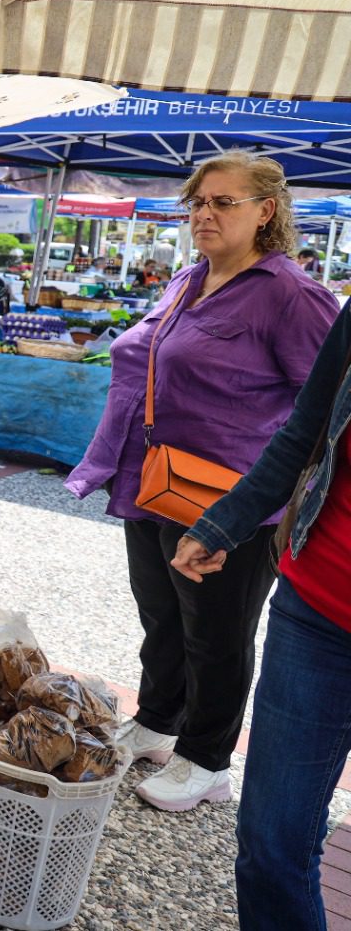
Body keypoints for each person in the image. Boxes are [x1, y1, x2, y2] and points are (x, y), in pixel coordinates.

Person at [67, 152, 338, 812]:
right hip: (153, 482)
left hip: (231, 498)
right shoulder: (188, 280)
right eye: (198, 202)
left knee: (217, 633)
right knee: (160, 616)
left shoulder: (290, 294)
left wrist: (285, 501)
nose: (205, 215)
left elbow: (326, 411)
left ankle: (207, 758)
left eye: (224, 202)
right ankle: (159, 722)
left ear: (266, 212)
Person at [171, 302, 351, 931]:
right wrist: (226, 521)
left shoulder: (290, 293)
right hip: (320, 610)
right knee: (272, 844)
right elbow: (305, 431)